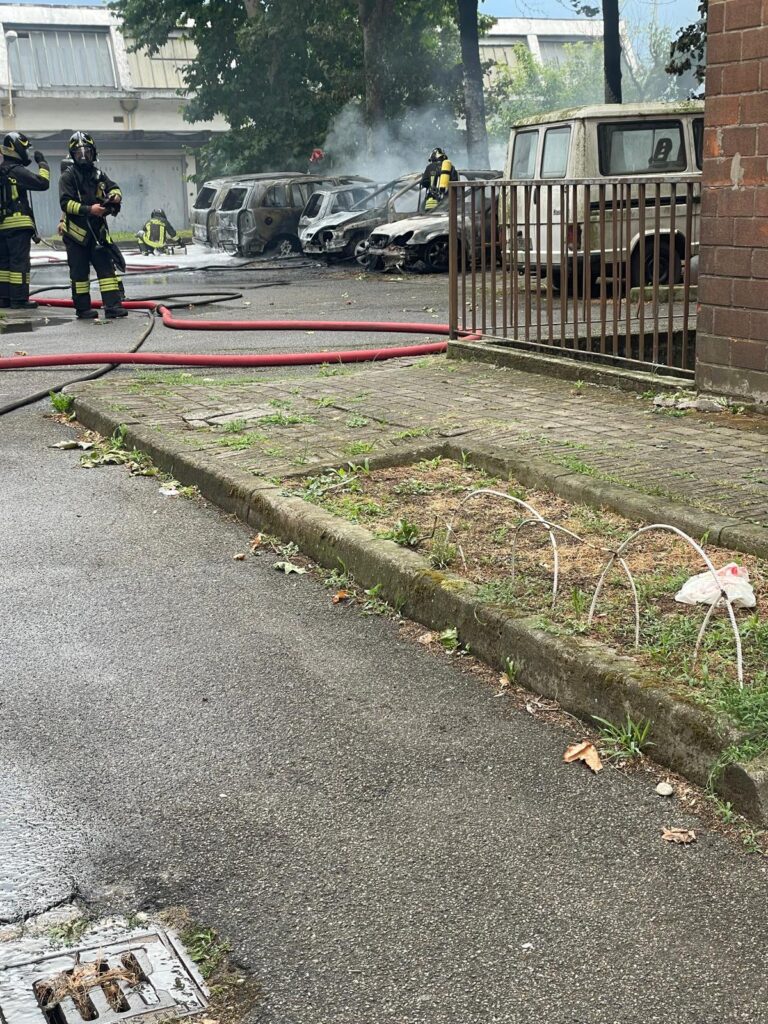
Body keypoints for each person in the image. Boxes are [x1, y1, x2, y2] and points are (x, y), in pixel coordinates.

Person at [59, 131, 127, 320]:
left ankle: (113, 307)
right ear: (72, 155)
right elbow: (66, 204)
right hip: (77, 236)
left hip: (98, 232)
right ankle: (83, 309)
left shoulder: (98, 174)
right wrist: (90, 210)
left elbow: (114, 187)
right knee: (79, 274)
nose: (83, 156)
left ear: (93, 153)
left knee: (106, 271)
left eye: (86, 152)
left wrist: (115, 196)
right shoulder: (68, 177)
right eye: (78, 153)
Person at [0, 132, 50, 309]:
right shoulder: (17, 171)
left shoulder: (2, 171)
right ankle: (19, 300)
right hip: (18, 225)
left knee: (4, 265)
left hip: (2, 226)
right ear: (17, 149)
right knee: (19, 263)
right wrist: (42, 163)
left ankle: (4, 298)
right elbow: (43, 183)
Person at [420, 146, 457, 211]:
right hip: (448, 203)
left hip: (431, 203)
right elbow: (456, 182)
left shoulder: (429, 167)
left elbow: (424, 182)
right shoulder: (451, 167)